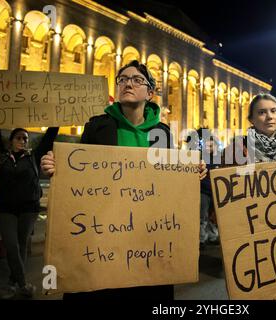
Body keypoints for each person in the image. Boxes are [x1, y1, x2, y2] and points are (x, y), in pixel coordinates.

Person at [40, 60, 207, 300]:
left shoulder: (162, 132)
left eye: (137, 79)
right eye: (123, 79)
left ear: (150, 92)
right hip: (103, 236)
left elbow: (170, 180)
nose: (128, 83)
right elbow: (78, 171)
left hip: (149, 238)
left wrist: (193, 172)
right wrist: (55, 166)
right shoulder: (98, 126)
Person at [0, 126, 59, 299]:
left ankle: (14, 282)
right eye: (18, 138)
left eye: (25, 139)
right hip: (7, 208)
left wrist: (55, 121)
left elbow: (49, 138)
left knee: (22, 244)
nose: (22, 141)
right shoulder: (3, 156)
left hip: (29, 208)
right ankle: (23, 284)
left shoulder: (33, 156)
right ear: (11, 141)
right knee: (11, 246)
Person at [199, 131, 221, 249]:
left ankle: (212, 236)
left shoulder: (219, 158)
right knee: (202, 216)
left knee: (213, 216)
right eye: (207, 145)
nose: (209, 147)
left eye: (211, 145)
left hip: (214, 192)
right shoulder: (202, 158)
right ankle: (201, 239)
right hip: (204, 192)